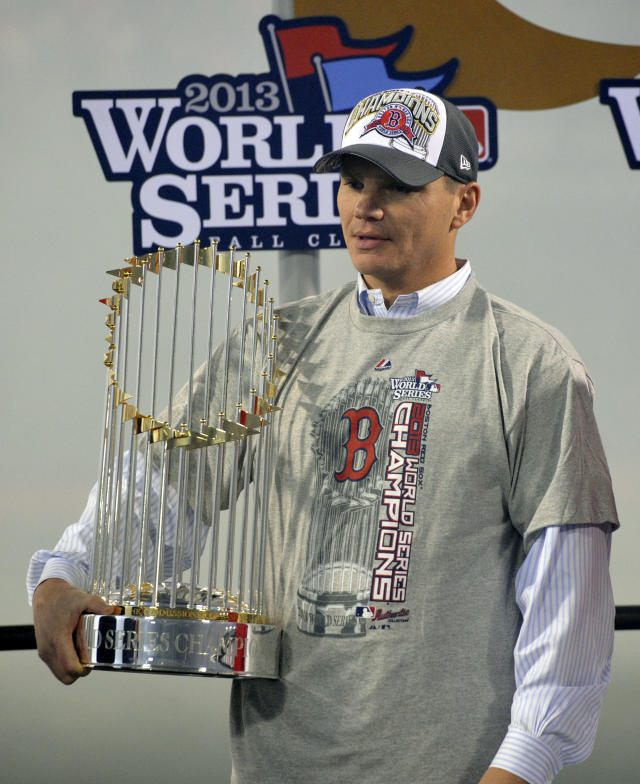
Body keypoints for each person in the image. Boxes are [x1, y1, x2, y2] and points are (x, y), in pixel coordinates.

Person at [28, 88, 619, 784]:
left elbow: (568, 595)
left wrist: (523, 763)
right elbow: (164, 490)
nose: (367, 205)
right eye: (353, 181)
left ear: (465, 203)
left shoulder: (531, 363)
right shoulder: (273, 344)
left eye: (398, 184)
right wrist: (67, 576)